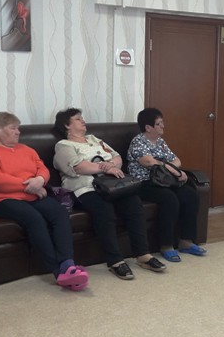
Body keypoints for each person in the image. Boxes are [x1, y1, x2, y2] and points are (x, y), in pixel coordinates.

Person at [0, 112, 88, 291]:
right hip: (1, 200)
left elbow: (42, 169)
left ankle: (68, 264)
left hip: (33, 195)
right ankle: (58, 271)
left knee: (59, 212)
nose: (18, 132)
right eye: (13, 128)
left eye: (18, 128)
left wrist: (40, 180)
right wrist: (31, 186)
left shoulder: (27, 149)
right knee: (34, 218)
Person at [53, 108, 166, 280]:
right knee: (104, 210)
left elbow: (117, 157)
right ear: (66, 125)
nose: (83, 121)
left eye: (82, 118)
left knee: (134, 203)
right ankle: (115, 261)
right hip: (86, 188)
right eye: (77, 119)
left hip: (112, 185)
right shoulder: (64, 145)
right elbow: (78, 167)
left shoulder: (95, 140)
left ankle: (143, 255)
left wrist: (112, 165)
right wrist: (105, 167)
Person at [127, 108, 206, 262]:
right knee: (169, 199)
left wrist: (169, 167)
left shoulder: (160, 142)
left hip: (164, 181)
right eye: (159, 124)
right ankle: (166, 245)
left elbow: (177, 160)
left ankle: (186, 241)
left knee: (190, 194)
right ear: (148, 127)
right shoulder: (138, 142)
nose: (163, 126)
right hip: (144, 183)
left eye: (162, 122)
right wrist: (174, 170)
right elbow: (149, 162)